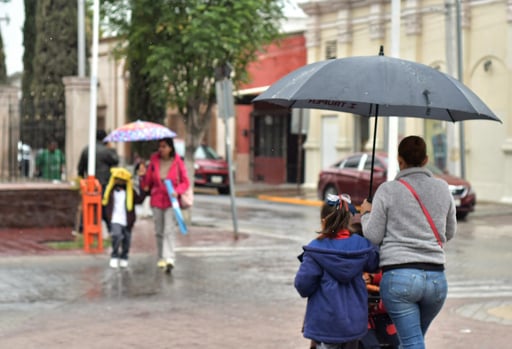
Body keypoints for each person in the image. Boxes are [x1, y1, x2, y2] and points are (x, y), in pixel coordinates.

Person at [359, 135, 457, 349]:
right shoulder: (442, 188)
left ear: (399, 161)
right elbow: (449, 232)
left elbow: (373, 236)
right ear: (426, 159)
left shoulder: (388, 190)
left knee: (412, 343)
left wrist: (366, 214)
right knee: (410, 341)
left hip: (399, 279)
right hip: (436, 282)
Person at [294, 194, 379, 349]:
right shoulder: (362, 245)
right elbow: (375, 263)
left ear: (323, 220)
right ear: (349, 219)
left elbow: (303, 286)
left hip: (325, 324)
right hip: (354, 323)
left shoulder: (316, 249)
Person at [138, 137, 190, 272]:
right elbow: (147, 183)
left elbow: (185, 182)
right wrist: (143, 176)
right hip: (156, 200)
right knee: (159, 231)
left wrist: (177, 191)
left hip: (171, 201)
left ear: (170, 148)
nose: (161, 149)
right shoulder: (154, 160)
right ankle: (161, 257)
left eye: (164, 146)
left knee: (169, 229)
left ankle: (169, 258)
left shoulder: (178, 161)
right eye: (159, 146)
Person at [102, 167, 146, 268]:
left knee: (127, 240)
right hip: (114, 219)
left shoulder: (130, 193)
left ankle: (124, 256)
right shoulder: (109, 192)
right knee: (116, 236)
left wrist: (142, 185)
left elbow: (140, 200)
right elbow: (104, 203)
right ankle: (114, 255)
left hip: (127, 220)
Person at [77, 129, 119, 233]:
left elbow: (80, 169)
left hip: (90, 183)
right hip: (104, 182)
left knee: (88, 204)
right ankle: (109, 227)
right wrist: (111, 148)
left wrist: (83, 180)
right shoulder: (106, 151)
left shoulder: (86, 150)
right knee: (104, 205)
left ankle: (83, 226)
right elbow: (116, 161)